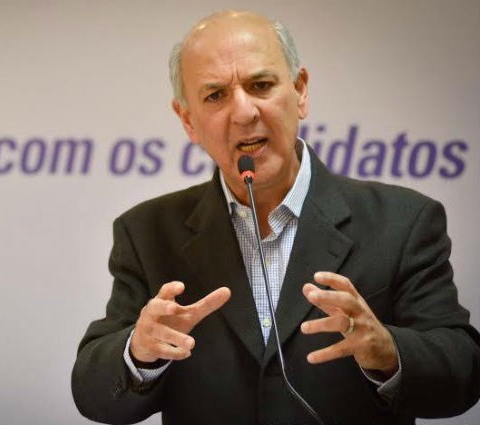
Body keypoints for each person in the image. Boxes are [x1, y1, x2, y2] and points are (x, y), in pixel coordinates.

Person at [72, 10, 480, 425]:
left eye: (260, 85)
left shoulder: (402, 221)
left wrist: (388, 351)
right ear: (188, 120)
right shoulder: (147, 233)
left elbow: (464, 372)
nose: (243, 112)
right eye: (215, 96)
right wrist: (139, 352)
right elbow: (94, 395)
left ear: (300, 91)